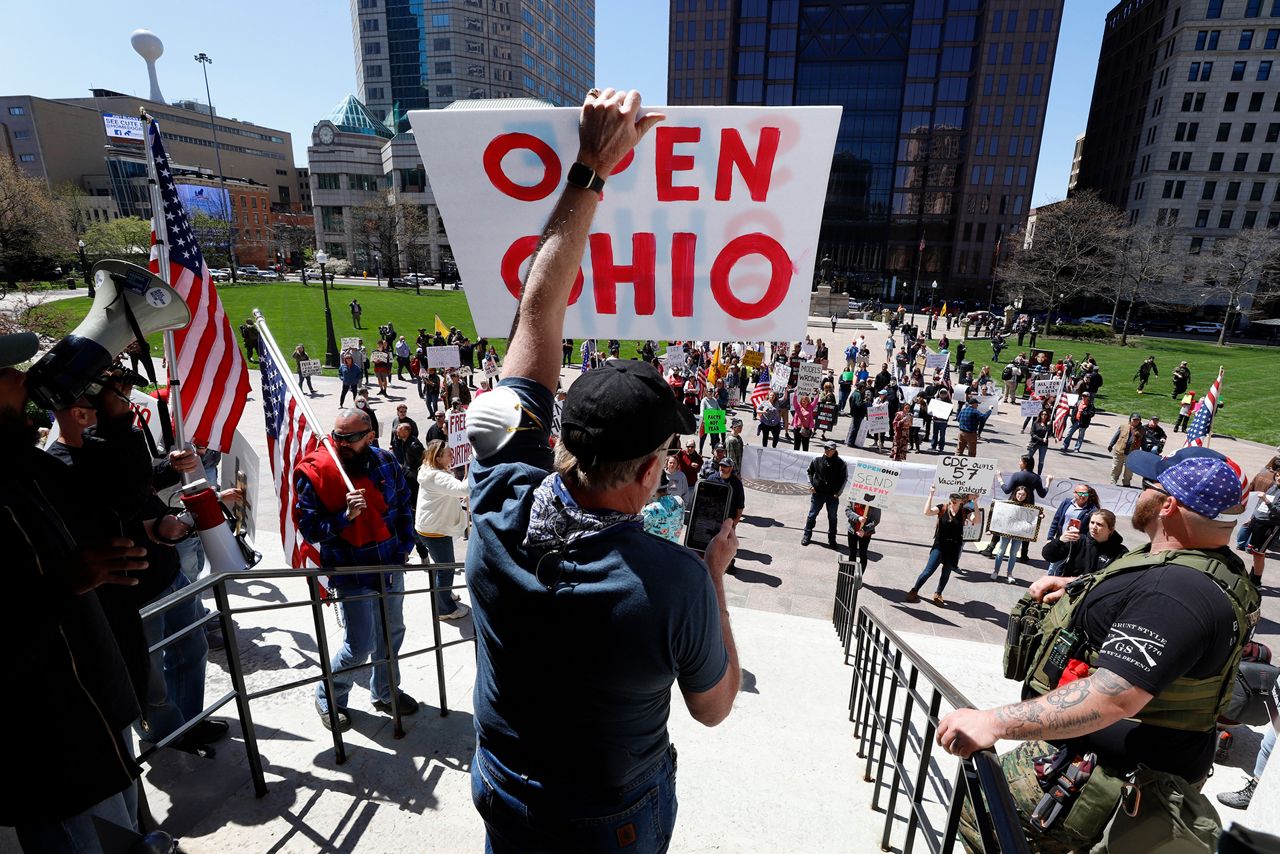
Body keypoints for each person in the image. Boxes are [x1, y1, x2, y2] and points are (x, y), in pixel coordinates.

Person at [461, 87, 740, 851]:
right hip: (610, 818)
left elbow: (538, 310)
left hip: (507, 788)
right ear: (652, 472)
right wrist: (713, 573)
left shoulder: (498, 499)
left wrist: (591, 165)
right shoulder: (673, 581)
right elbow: (714, 708)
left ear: (562, 439)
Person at [939, 447, 1260, 853]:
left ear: (1169, 505)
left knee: (982, 823)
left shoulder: (1175, 594)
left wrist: (992, 723)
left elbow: (1116, 694)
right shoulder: (1212, 567)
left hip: (1098, 784)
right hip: (1120, 767)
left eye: (1151, 485)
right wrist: (1081, 587)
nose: (1141, 490)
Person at [0, 334, 156, 852]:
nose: (24, 378)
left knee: (125, 826)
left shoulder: (19, 468)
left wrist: (113, 413)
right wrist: (66, 584)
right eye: (6, 371)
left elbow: (118, 497)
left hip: (92, 712)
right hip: (47, 748)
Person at [295, 407, 418, 731]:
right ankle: (329, 696)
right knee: (358, 646)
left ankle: (385, 691)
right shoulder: (320, 473)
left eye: (349, 437)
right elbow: (310, 529)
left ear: (370, 436)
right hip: (351, 573)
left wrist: (405, 546)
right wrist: (344, 517)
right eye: (337, 436)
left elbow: (404, 504)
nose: (340, 443)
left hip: (390, 567)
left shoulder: (387, 462)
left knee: (392, 634)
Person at [415, 439, 471, 621]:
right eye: (449, 453)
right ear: (438, 458)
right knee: (446, 569)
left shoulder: (430, 469)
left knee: (442, 566)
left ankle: (444, 594)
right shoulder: (438, 477)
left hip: (431, 527)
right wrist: (475, 464)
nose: (453, 455)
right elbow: (464, 489)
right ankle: (444, 609)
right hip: (435, 531)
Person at [906, 488, 974, 607]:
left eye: (957, 497)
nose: (953, 499)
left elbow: (976, 520)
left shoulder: (965, 511)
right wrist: (931, 494)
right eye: (952, 497)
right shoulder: (942, 508)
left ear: (962, 501)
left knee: (946, 572)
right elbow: (927, 512)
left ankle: (938, 594)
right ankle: (914, 589)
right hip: (940, 545)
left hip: (954, 547)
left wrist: (976, 503)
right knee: (928, 570)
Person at [1041, 508, 1125, 577]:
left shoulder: (1120, 552)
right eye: (1092, 523)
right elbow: (1048, 556)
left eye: (1099, 524)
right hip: (1070, 589)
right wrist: (1060, 540)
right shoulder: (1078, 540)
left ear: (1110, 529)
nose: (1094, 527)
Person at [990, 485, 1043, 583]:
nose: (1020, 496)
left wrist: (1039, 516)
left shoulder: (1029, 507)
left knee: (1013, 553)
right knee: (1001, 551)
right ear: (1015, 494)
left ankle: (1009, 573)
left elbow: (1033, 518)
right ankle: (996, 571)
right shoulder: (1008, 504)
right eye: (1019, 494)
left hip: (1019, 533)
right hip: (1006, 532)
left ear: (1026, 496)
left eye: (1023, 495)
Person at [802, 441, 848, 546]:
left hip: (832, 495)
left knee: (832, 517)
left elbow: (844, 478)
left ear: (834, 450)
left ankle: (832, 539)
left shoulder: (841, 463)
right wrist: (810, 485)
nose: (827, 451)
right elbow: (809, 471)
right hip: (818, 493)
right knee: (812, 515)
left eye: (829, 449)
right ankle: (807, 534)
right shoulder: (817, 460)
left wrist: (839, 493)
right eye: (825, 448)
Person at [1107, 412, 1147, 487]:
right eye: (1134, 419)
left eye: (1138, 420)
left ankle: (1126, 482)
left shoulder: (1142, 430)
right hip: (1119, 451)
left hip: (1132, 454)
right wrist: (1111, 445)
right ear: (1130, 419)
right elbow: (1116, 436)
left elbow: (1143, 442)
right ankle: (1113, 481)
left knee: (1129, 470)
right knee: (1116, 467)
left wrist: (1144, 452)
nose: (1136, 421)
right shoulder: (1123, 426)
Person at [845, 496, 882, 573]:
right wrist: (858, 518)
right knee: (852, 552)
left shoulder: (875, 502)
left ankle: (859, 577)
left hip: (865, 534)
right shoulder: (854, 497)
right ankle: (851, 574)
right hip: (852, 531)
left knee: (863, 554)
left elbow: (876, 520)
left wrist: (864, 530)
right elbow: (848, 510)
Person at [1025, 409, 1053, 474]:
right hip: (1034, 443)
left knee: (1041, 461)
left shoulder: (1048, 424)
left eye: (1045, 414)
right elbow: (1032, 433)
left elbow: (1050, 434)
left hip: (1043, 445)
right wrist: (1041, 439)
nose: (1044, 416)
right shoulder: (1036, 423)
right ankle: (1026, 472)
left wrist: (1049, 427)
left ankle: (1039, 474)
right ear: (1040, 415)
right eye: (1042, 414)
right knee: (1028, 458)